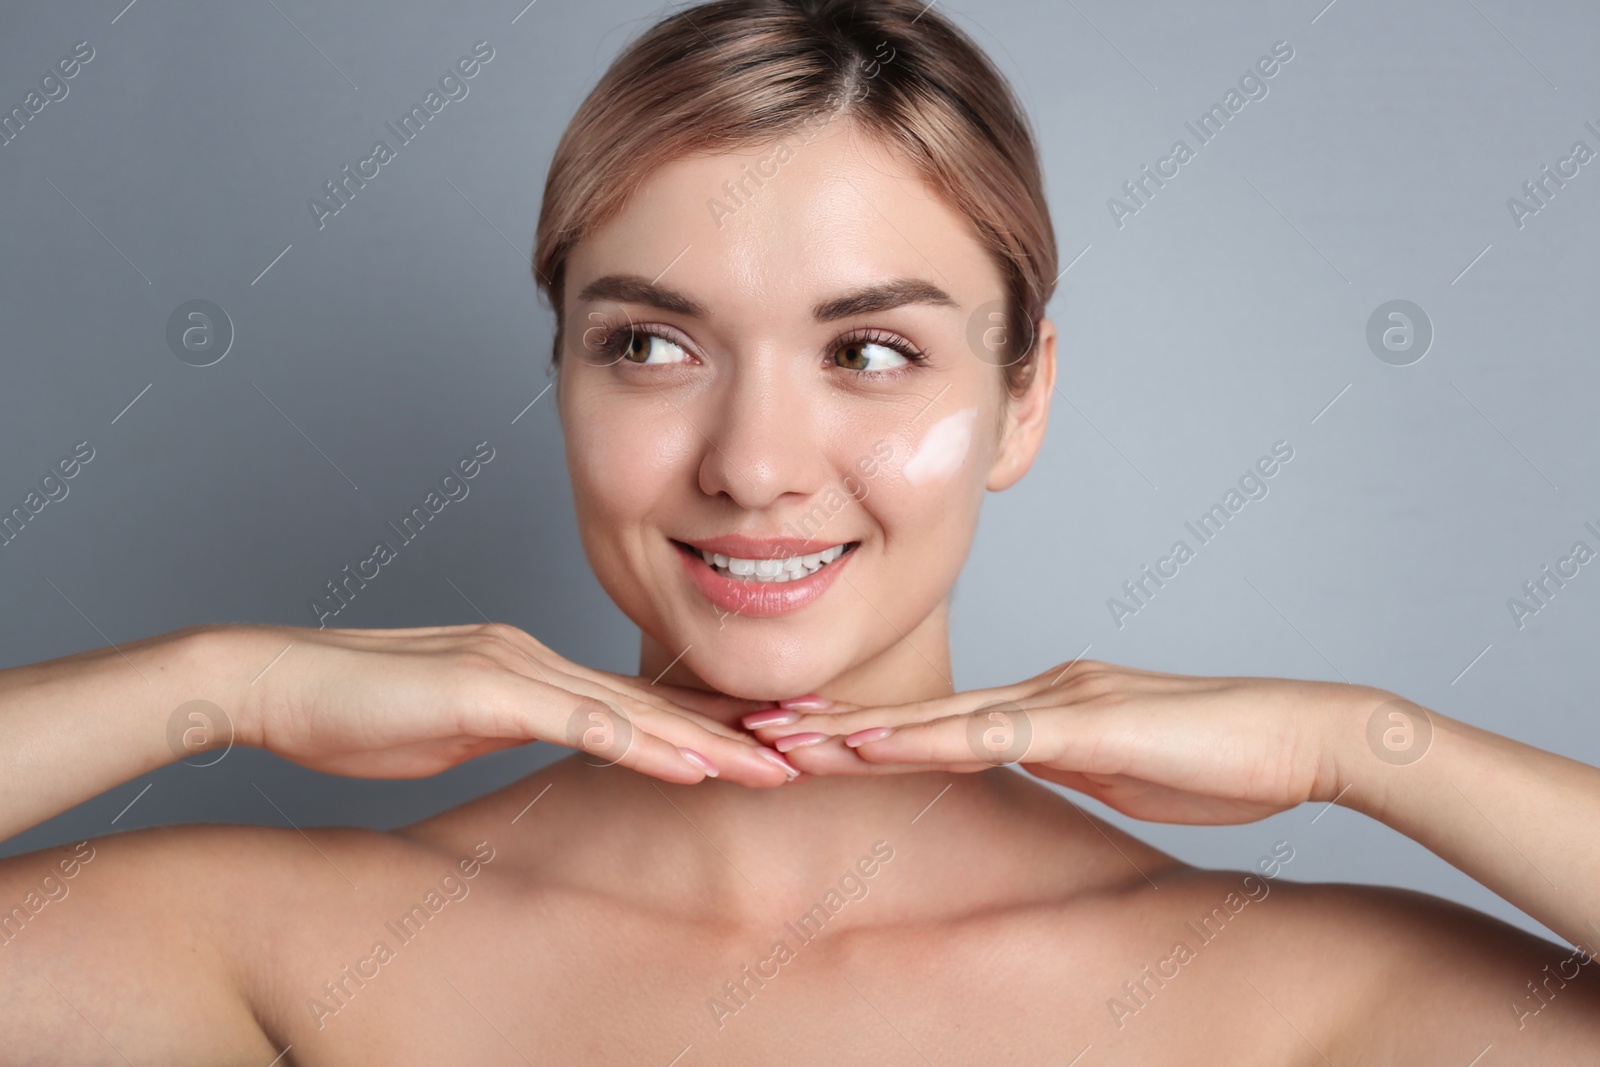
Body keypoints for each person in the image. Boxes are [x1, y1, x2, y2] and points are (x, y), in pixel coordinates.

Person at [2, 1, 1597, 1061]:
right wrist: (226, 682)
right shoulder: (292, 952)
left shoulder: (1281, 998)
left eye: (871, 352)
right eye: (650, 344)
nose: (757, 465)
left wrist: (1362, 747)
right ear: (560, 377)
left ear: (1024, 398)